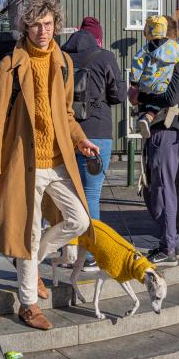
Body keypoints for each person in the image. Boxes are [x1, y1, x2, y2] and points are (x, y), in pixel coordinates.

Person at [0, 0, 97, 331]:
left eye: (47, 24)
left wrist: (80, 139)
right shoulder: (9, 66)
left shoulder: (64, 63)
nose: (42, 31)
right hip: (24, 162)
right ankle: (28, 304)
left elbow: (67, 113)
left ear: (56, 25)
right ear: (25, 28)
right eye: (35, 25)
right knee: (28, 231)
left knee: (79, 221)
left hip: (58, 159)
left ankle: (28, 265)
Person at [133, 20, 179, 267]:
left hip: (168, 130)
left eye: (153, 39)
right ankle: (173, 243)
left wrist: (142, 95)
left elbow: (171, 97)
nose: (151, 44)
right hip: (160, 131)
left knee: (162, 188)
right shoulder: (163, 61)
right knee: (153, 189)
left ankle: (168, 247)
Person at [61, 16, 126, 224]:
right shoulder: (104, 57)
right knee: (90, 193)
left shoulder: (59, 57)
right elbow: (119, 95)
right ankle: (90, 244)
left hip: (64, 131)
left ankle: (66, 242)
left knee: (64, 194)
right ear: (98, 38)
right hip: (97, 130)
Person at [128, 16, 179, 138]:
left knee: (154, 102)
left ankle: (147, 118)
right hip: (161, 124)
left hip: (166, 129)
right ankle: (147, 118)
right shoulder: (176, 51)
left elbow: (170, 99)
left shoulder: (147, 50)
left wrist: (136, 88)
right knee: (155, 102)